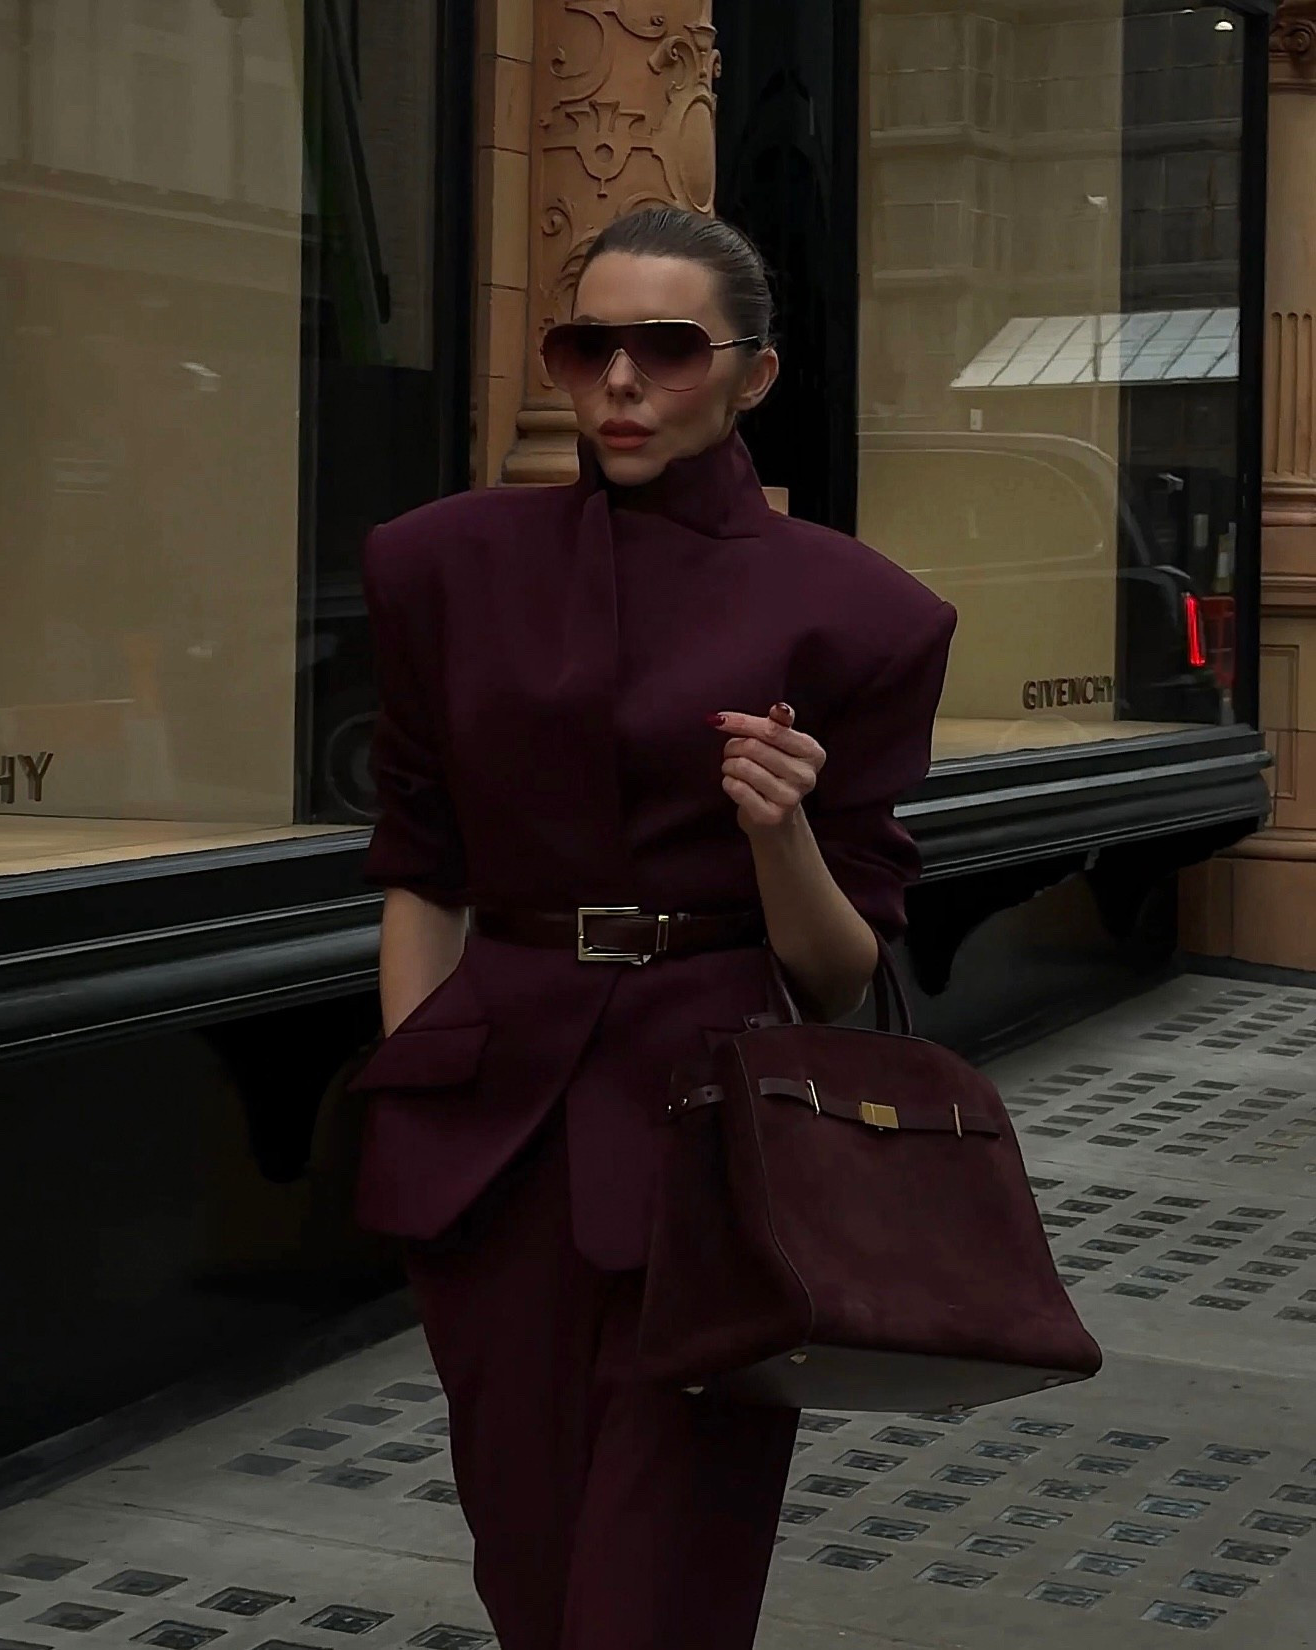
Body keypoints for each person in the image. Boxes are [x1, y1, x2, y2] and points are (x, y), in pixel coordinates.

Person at [348, 206, 957, 1650]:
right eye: (588, 345)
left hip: (709, 1131)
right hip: (489, 1129)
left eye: (666, 348)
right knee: (531, 1561)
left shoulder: (866, 614)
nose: (619, 379)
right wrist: (418, 1072)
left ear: (752, 376)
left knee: (660, 1580)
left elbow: (845, 962)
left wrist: (780, 829)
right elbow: (420, 865)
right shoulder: (439, 566)